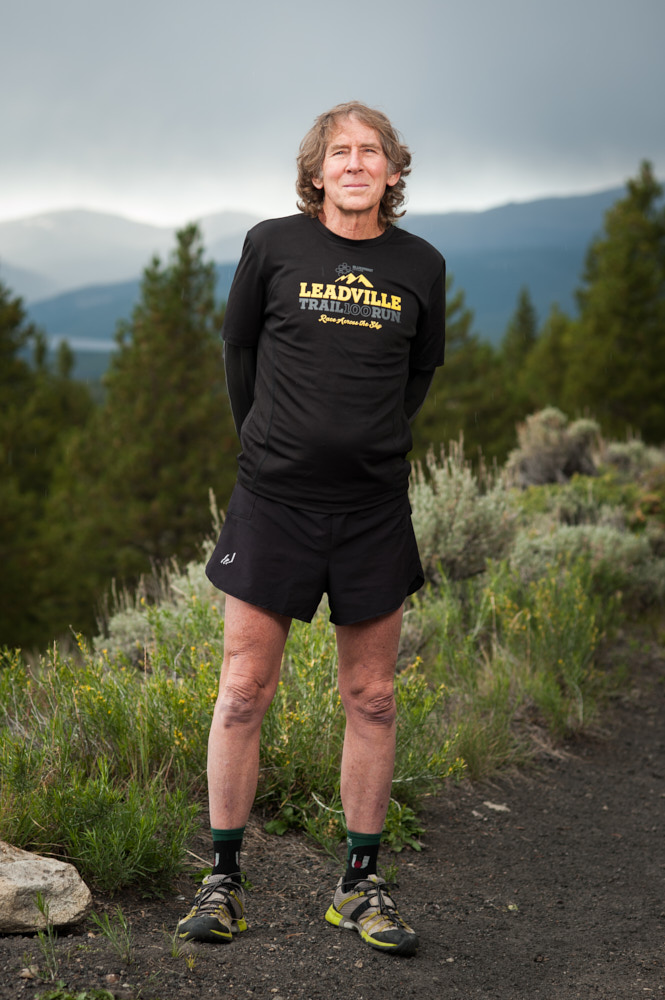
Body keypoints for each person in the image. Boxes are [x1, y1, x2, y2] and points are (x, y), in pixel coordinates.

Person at [176, 101, 445, 957]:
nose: (357, 164)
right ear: (317, 170)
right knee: (243, 689)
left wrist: (360, 452)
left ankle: (359, 887)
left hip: (370, 511)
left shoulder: (421, 265)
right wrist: (274, 449)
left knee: (371, 697)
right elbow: (239, 358)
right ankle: (222, 879)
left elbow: (416, 379)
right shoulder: (272, 245)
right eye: (341, 152)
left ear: (394, 172)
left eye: (373, 152)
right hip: (273, 504)